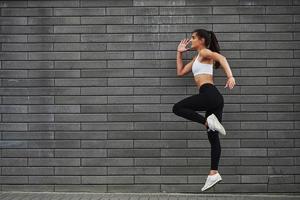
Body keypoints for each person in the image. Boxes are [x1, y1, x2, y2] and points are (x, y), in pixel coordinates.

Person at [172, 29, 236, 191]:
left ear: (201, 40)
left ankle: (208, 122)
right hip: (214, 99)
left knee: (178, 107)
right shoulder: (196, 58)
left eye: (193, 38)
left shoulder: (204, 52)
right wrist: (179, 53)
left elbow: (221, 58)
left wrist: (230, 76)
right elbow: (180, 72)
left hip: (210, 94)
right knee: (213, 139)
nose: (190, 40)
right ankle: (213, 173)